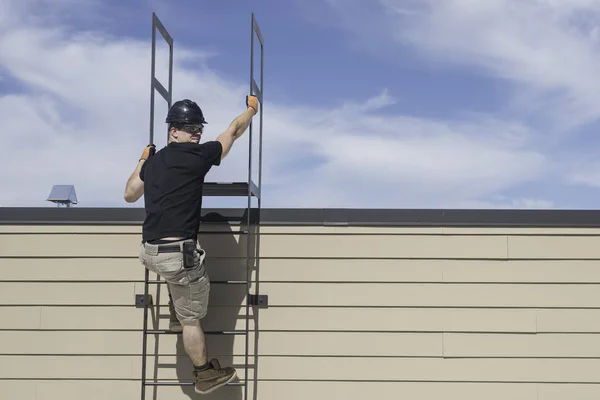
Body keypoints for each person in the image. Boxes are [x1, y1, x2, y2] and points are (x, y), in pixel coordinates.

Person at [123, 95, 259, 394]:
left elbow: (130, 193)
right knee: (192, 319)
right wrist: (251, 109)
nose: (196, 132)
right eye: (190, 127)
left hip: (149, 252)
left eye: (198, 127)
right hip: (176, 255)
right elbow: (234, 130)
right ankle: (204, 374)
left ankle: (177, 304)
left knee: (181, 279)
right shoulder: (198, 156)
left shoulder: (154, 161)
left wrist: (143, 158)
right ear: (174, 130)